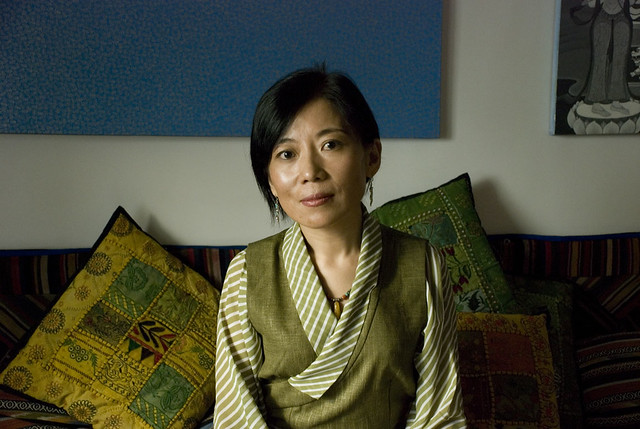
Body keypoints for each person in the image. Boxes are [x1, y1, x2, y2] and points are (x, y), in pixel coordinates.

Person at [214, 65, 466, 428]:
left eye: (330, 145)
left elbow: (438, 413)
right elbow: (237, 416)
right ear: (269, 179)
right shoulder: (246, 274)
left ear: (371, 156)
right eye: (286, 154)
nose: (310, 172)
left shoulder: (422, 263)